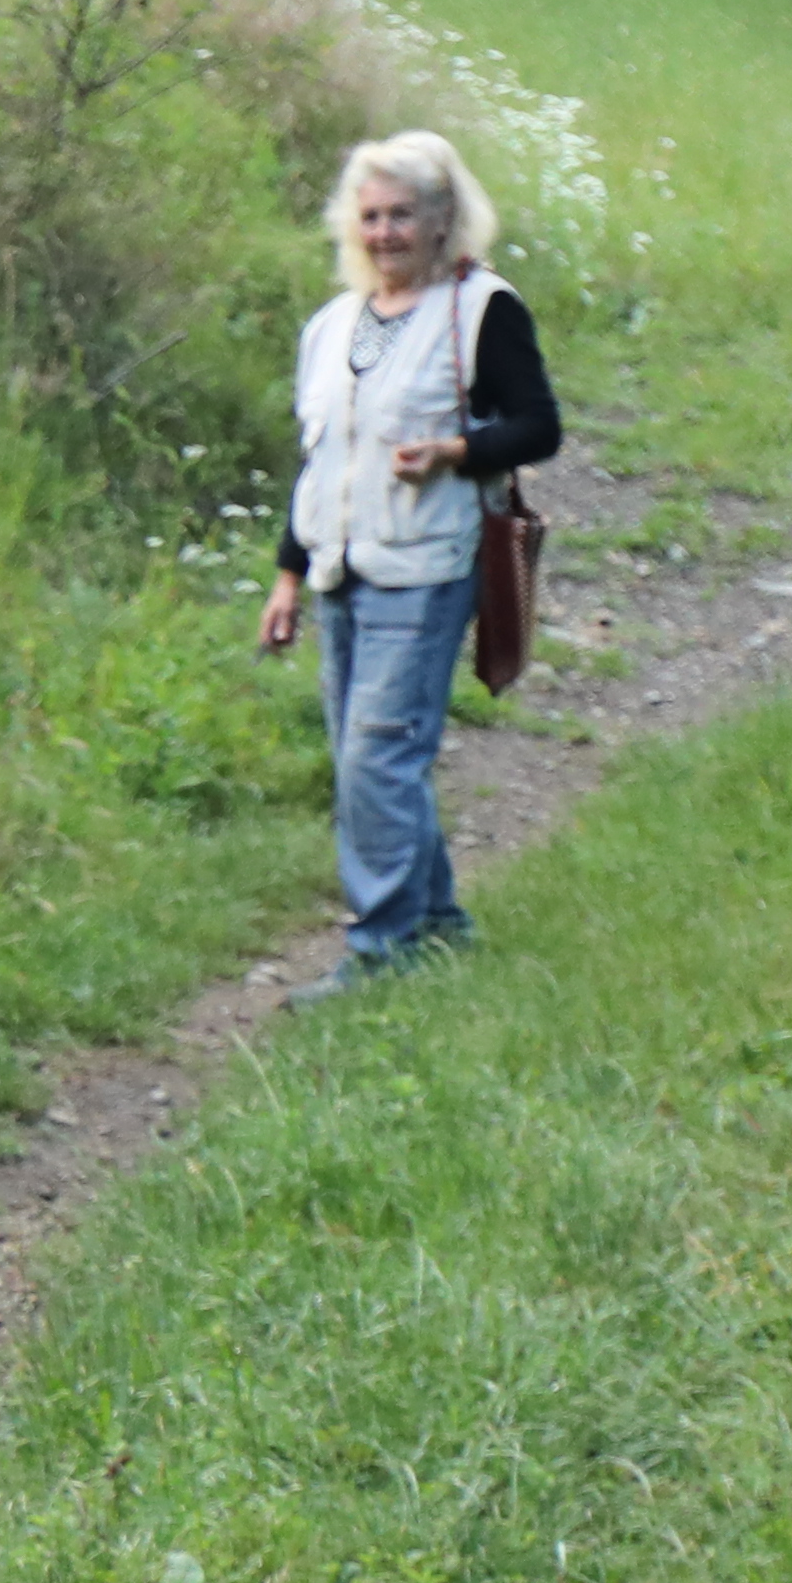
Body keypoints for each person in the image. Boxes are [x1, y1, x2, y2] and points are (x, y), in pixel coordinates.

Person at [252, 129, 559, 988]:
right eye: (371, 216)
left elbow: (540, 427)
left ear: (441, 221)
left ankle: (381, 949)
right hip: (340, 570)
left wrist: (454, 452)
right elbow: (321, 462)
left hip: (429, 567)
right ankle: (439, 921)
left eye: (402, 215)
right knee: (366, 753)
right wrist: (285, 576)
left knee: (377, 758)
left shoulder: (480, 310)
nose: (384, 232)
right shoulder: (332, 326)